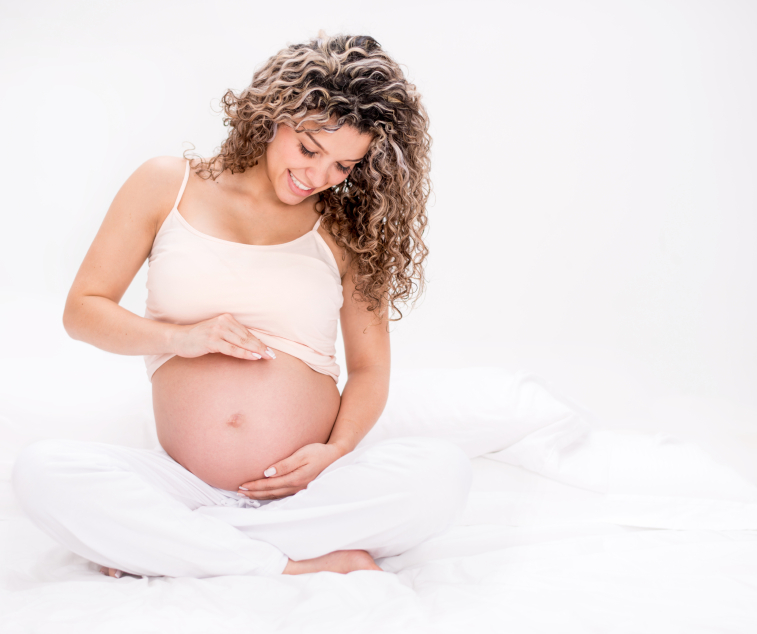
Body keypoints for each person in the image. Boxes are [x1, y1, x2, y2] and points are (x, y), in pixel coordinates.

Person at [11, 34, 473, 578]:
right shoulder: (168, 185)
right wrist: (182, 338)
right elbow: (83, 311)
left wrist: (336, 451)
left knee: (444, 473)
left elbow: (370, 369)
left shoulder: (347, 231)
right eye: (308, 150)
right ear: (273, 116)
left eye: (343, 166)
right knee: (41, 473)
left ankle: (173, 544)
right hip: (182, 484)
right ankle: (290, 563)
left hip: (308, 489)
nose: (318, 178)